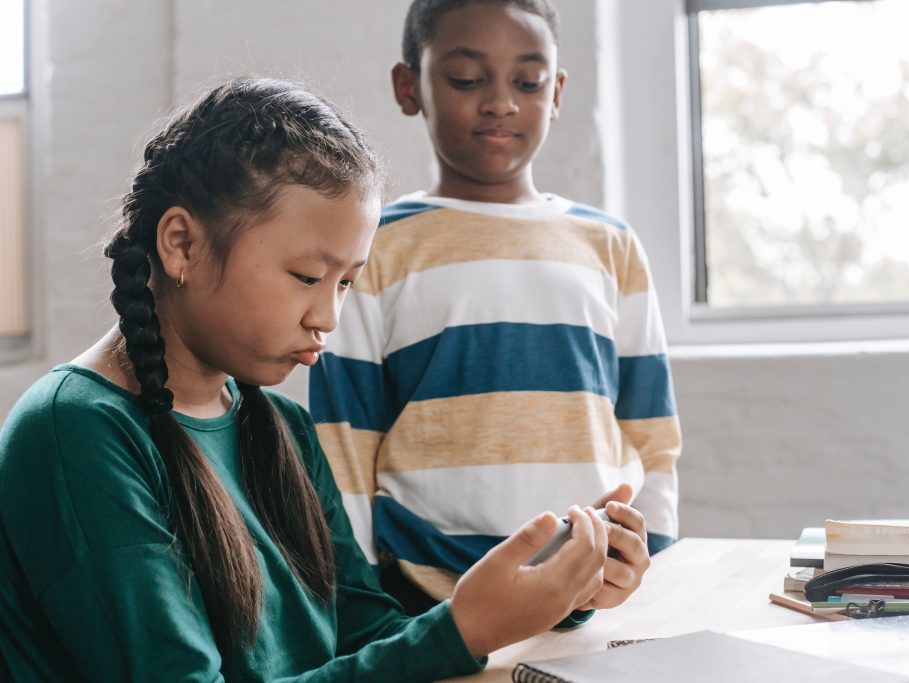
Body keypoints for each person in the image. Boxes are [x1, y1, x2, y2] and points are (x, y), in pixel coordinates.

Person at [0, 77, 618, 682]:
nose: (327, 317)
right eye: (305, 277)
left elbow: (369, 635)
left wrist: (554, 588)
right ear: (182, 244)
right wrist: (464, 628)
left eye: (345, 282)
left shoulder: (283, 426)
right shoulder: (75, 431)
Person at [309, 0, 679, 620]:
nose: (501, 102)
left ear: (556, 92)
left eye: (528, 82)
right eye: (466, 79)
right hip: (428, 607)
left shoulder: (610, 246)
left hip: (594, 597)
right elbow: (344, 444)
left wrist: (655, 571)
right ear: (410, 87)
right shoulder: (376, 247)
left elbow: (652, 435)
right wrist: (362, 604)